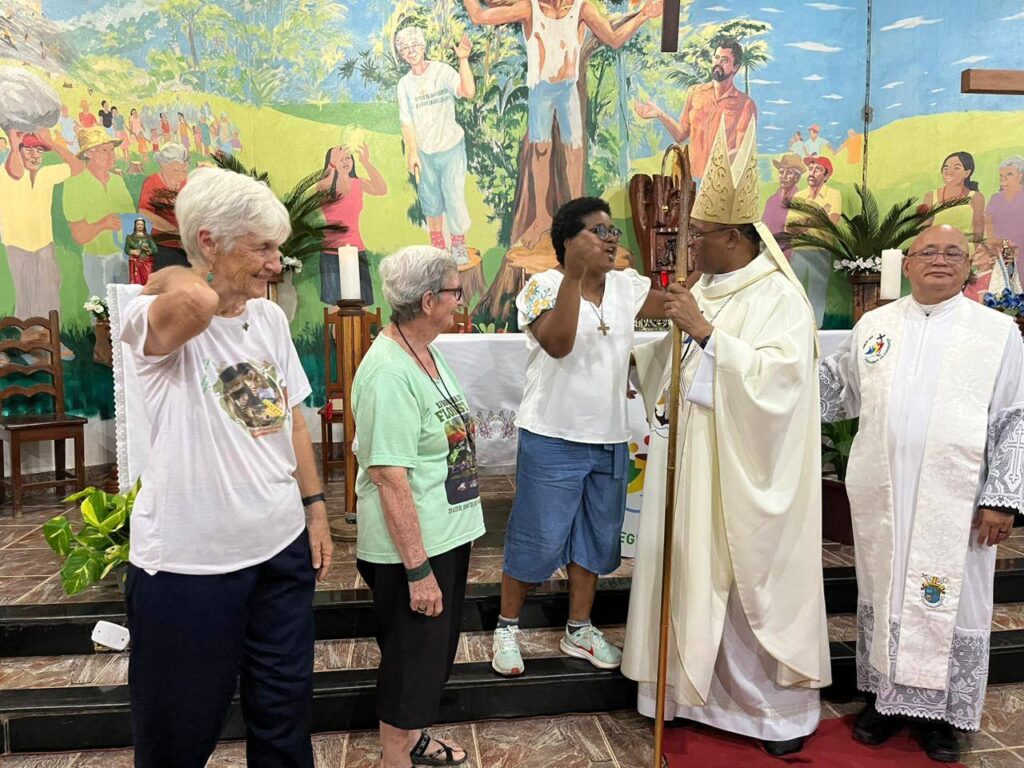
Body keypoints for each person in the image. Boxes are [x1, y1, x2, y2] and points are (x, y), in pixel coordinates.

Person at [622, 123, 830, 758]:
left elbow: (783, 382)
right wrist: (650, 346)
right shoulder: (705, 286)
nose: (691, 243)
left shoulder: (779, 298)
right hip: (690, 463)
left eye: (700, 235)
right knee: (689, 569)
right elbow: (673, 364)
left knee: (741, 580)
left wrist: (708, 336)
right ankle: (688, 694)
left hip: (744, 471)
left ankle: (769, 716)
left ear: (736, 237)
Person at [119, 166, 333, 767]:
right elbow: (195, 300)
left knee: (284, 717)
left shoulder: (267, 320)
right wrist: (189, 271)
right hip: (190, 569)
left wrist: (313, 509)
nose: (276, 263)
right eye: (261, 247)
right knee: (180, 734)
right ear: (208, 242)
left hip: (279, 551)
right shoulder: (154, 312)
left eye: (278, 248)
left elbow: (291, 419)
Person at [819, 224, 1024, 763]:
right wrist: (769, 365)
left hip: (960, 500)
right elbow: (837, 393)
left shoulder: (997, 333)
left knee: (952, 602)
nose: (940, 259)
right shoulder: (875, 326)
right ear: (908, 264)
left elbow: (1013, 420)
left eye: (952, 252)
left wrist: (1003, 496)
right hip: (882, 494)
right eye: (928, 251)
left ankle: (942, 718)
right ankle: (887, 701)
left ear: (968, 267)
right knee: (884, 591)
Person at [492, 196, 668, 677]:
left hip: (608, 435)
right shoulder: (539, 287)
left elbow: (672, 303)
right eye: (600, 231)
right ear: (569, 241)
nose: (612, 240)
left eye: (614, 232)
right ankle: (507, 626)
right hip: (553, 433)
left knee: (593, 538)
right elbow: (559, 343)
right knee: (536, 535)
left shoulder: (626, 288)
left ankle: (579, 629)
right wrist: (574, 275)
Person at [351, 245, 485, 768]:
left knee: (430, 657)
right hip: (412, 548)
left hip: (444, 532)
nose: (460, 299)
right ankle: (395, 758)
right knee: (411, 663)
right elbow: (388, 478)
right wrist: (419, 571)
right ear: (429, 300)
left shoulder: (424, 349)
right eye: (454, 291)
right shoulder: (388, 372)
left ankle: (414, 739)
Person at [465, 0, 661, 246]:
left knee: (573, 152)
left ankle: (577, 217)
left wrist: (643, 15)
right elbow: (479, 16)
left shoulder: (582, 8)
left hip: (568, 89)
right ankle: (540, 220)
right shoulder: (529, 8)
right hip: (540, 90)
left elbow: (613, 38)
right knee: (540, 151)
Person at [394, 26, 475, 264]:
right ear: (401, 54)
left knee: (455, 198)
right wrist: (412, 151)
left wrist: (463, 60)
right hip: (425, 153)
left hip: (451, 147)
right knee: (431, 201)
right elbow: (406, 121)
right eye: (405, 48)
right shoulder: (404, 85)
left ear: (423, 46)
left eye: (415, 46)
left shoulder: (441, 71)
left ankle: (458, 244)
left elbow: (468, 91)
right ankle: (438, 247)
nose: (411, 51)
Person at [0, 127, 83, 357]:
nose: (36, 155)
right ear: (18, 150)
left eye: (39, 150)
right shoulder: (7, 173)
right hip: (18, 245)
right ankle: (29, 347)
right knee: (26, 295)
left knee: (50, 292)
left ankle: (51, 341)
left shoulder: (47, 174)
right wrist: (15, 144)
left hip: (44, 243)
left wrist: (53, 142)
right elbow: (14, 169)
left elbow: (77, 167)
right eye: (29, 149)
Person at [633, 39, 756, 178]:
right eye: (716, 57)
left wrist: (714, 174)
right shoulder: (695, 92)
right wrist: (659, 114)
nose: (718, 63)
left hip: (720, 183)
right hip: (691, 180)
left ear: (736, 67)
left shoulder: (745, 104)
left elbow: (741, 150)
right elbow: (681, 134)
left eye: (725, 60)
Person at [63, 125, 136, 296]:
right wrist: (103, 224)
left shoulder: (118, 181)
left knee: (127, 304)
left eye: (112, 149)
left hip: (125, 255)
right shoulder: (75, 185)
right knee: (101, 310)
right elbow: (79, 235)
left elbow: (132, 219)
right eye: (104, 150)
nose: (112, 155)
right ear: (89, 154)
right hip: (97, 258)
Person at [317, 142, 387, 307]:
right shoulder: (324, 185)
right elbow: (342, 192)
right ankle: (336, 335)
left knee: (361, 304)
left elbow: (381, 189)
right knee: (335, 307)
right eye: (341, 159)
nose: (346, 162)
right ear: (331, 161)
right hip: (331, 252)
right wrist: (334, 169)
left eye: (348, 158)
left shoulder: (358, 183)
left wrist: (366, 162)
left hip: (357, 248)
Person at [786, 154, 842, 327]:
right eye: (810, 169)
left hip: (821, 249)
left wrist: (805, 222)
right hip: (799, 250)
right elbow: (790, 227)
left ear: (826, 175)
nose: (812, 172)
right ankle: (795, 327)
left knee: (817, 292)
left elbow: (831, 221)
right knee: (795, 291)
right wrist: (818, 216)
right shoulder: (798, 196)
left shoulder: (834, 194)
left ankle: (816, 330)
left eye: (818, 169)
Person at [138, 142, 190, 271]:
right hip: (163, 245)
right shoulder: (153, 183)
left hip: (187, 246)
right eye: (176, 170)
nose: (182, 175)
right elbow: (145, 214)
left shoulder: (187, 183)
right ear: (163, 166)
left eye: (184, 169)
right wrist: (175, 232)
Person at [922, 151, 985, 244]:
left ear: (967, 173)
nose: (949, 172)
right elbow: (924, 230)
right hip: (937, 250)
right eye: (946, 167)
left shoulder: (976, 197)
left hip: (965, 250)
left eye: (956, 168)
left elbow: (978, 234)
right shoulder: (930, 196)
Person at [985, 155, 1024, 276]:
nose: (1004, 179)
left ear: (1021, 175)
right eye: (1001, 176)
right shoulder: (995, 199)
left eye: (1009, 175)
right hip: (1001, 252)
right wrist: (994, 244)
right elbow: (988, 223)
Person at [761, 152, 803, 258]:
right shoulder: (771, 200)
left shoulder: (800, 200)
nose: (783, 176)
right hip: (769, 254)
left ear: (797, 178)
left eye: (788, 173)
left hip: (793, 256)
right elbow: (764, 228)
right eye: (781, 172)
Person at [124, 217, 158, 285]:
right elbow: (126, 249)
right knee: (136, 280)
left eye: (142, 224)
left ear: (144, 225)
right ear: (135, 225)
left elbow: (155, 250)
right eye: (138, 224)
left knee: (148, 279)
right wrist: (132, 251)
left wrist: (149, 250)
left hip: (146, 261)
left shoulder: (148, 237)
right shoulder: (130, 237)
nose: (140, 226)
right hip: (136, 261)